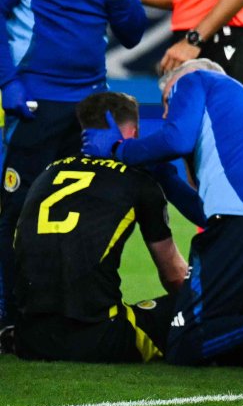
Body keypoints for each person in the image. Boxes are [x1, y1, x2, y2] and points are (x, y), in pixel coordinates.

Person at [81, 60, 243, 368]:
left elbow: (176, 138)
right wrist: (167, 180)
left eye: (168, 104)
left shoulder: (194, 79)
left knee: (186, 343)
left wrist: (119, 150)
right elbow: (210, 215)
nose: (168, 114)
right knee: (239, 341)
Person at [0, 0, 146, 331]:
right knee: (15, 211)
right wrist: (8, 83)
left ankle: (68, 312)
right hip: (36, 101)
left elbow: (132, 34)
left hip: (90, 109)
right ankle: (8, 316)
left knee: (81, 218)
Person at [12, 93, 193, 362]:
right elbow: (174, 277)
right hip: (98, 338)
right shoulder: (138, 181)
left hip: (28, 339)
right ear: (133, 131)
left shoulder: (46, 173)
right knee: (192, 308)